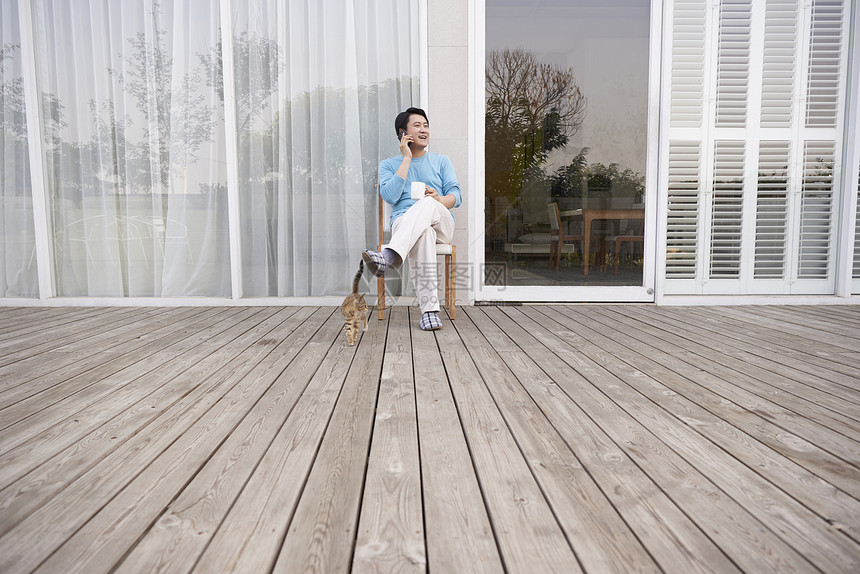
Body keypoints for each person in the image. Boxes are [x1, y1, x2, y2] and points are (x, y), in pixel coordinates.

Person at [362, 107, 461, 331]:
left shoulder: (441, 161)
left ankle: (387, 257)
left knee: (426, 203)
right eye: (417, 126)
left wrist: (438, 200)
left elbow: (457, 196)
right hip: (405, 223)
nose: (424, 130)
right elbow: (389, 195)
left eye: (425, 125)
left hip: (441, 222)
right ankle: (429, 312)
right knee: (423, 234)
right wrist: (406, 159)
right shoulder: (389, 165)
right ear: (403, 133)